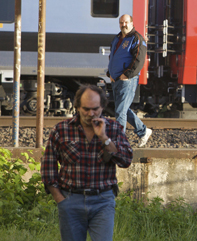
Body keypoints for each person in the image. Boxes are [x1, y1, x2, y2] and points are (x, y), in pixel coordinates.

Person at [42, 85, 133, 241]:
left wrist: (104, 138)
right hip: (71, 199)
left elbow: (125, 160)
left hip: (103, 201)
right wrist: (61, 200)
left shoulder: (114, 129)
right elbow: (48, 168)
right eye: (86, 109)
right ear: (77, 107)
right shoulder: (61, 130)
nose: (91, 114)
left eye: (95, 109)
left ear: (103, 107)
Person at [107, 14, 152, 147]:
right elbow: (113, 56)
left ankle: (119, 142)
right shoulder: (117, 38)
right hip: (116, 79)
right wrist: (110, 73)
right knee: (123, 109)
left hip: (127, 80)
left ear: (132, 23)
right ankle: (143, 132)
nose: (123, 25)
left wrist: (127, 75)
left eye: (126, 22)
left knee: (120, 111)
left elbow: (139, 60)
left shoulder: (137, 38)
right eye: (121, 23)